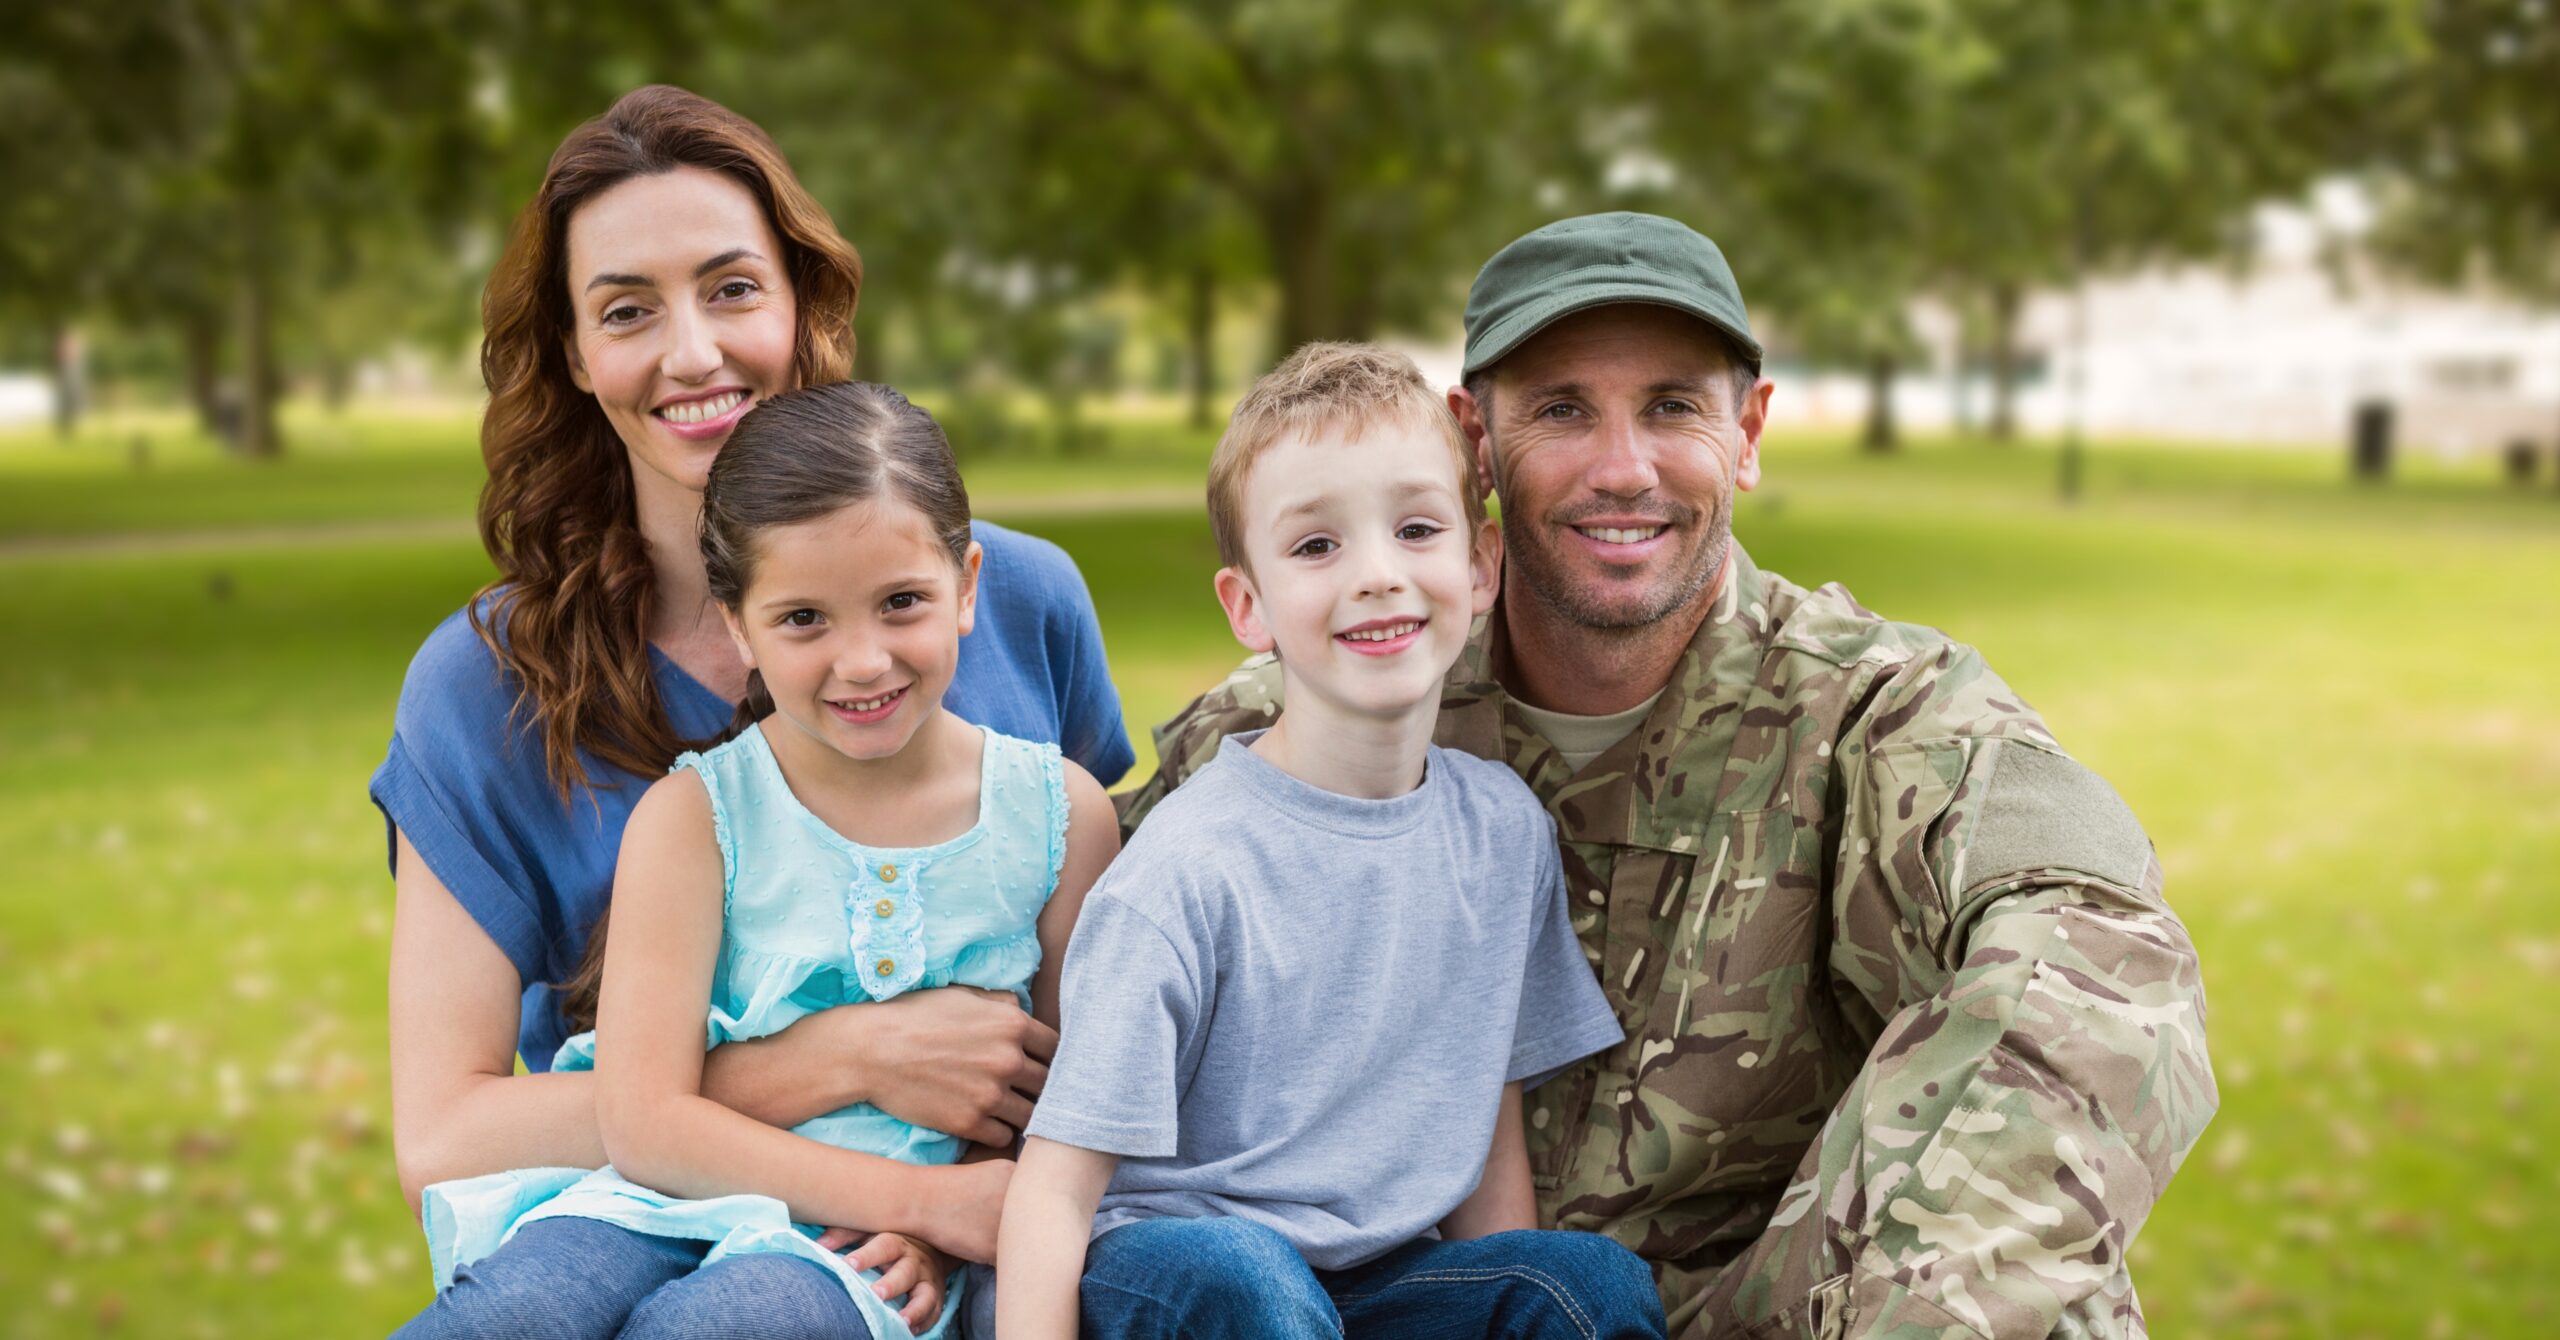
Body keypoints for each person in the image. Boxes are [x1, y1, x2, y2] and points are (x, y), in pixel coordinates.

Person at [1121, 214, 2218, 1339]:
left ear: (1746, 430)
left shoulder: (1878, 713)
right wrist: (923, 1052)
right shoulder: (1296, 728)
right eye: (1559, 408)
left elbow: (2101, 978)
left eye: (1672, 406)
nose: (1621, 469)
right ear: (1475, 442)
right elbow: (1049, 945)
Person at [373, 86, 1133, 1326]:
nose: (692, 352)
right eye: (627, 309)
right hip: (617, 1225)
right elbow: (444, 1136)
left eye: (731, 288)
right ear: (573, 352)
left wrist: (966, 1219)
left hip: (921, 1276)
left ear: (802, 302)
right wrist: (844, 1060)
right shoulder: (482, 684)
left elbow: (1099, 1027)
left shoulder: (1018, 602)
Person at [998, 343, 1667, 1340]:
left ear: (1479, 564)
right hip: (1177, 1269)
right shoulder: (1189, 867)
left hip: (1379, 1284)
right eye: (1317, 546)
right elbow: (1054, 1189)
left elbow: (1484, 1134)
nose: (1377, 575)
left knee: (1583, 1285)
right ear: (1248, 605)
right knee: (1250, 1283)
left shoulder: (1501, 830)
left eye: (1415, 528)